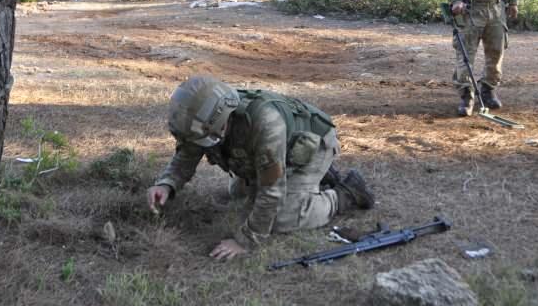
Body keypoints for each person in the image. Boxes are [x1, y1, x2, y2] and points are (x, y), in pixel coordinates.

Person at [147, 76, 374, 260]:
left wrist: (245, 240)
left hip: (315, 145)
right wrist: (167, 184)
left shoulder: (265, 123)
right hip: (278, 152)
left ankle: (346, 193)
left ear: (222, 122)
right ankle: (315, 179)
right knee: (238, 193)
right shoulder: (207, 116)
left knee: (281, 217)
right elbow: (188, 153)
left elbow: (272, 191)